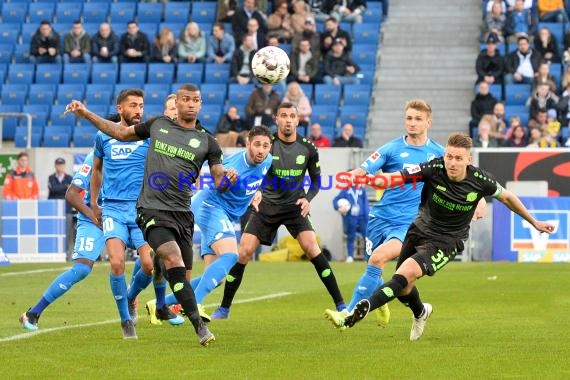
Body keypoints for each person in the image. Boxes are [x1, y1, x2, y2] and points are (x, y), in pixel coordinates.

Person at [330, 133, 555, 340]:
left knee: (404, 275)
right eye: (449, 156)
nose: (452, 162)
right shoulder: (434, 167)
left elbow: (507, 197)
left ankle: (364, 308)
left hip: (446, 241)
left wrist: (534, 221)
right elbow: (393, 179)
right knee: (404, 288)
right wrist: (367, 179)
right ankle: (421, 311)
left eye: (458, 158)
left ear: (468, 160)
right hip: (418, 229)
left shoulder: (480, 180)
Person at [65, 83, 230, 346]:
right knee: (173, 258)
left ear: (200, 105)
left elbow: (220, 179)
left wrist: (229, 178)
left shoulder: (208, 141)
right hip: (151, 209)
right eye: (184, 99)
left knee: (181, 278)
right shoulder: (157, 126)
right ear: (177, 104)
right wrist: (86, 114)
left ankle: (158, 299)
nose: (189, 104)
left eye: (194, 100)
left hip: (183, 214)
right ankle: (200, 328)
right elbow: (119, 132)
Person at [210, 102, 348, 320]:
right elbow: (252, 170)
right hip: (266, 207)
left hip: (294, 207)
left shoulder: (308, 148)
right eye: (283, 115)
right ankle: (224, 308)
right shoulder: (267, 144)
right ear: (276, 119)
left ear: (298, 119)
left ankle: (341, 305)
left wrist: (308, 199)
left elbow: (316, 182)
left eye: (292, 115)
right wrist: (255, 191)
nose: (288, 119)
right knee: (243, 252)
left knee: (312, 248)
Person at [324, 99, 445, 327]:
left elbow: (462, 179)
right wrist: (354, 174)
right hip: (379, 218)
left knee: (379, 258)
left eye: (418, 119)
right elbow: (365, 168)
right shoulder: (391, 148)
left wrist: (477, 201)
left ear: (428, 122)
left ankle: (347, 314)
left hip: (409, 223)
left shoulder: (439, 154)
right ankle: (395, 306)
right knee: (376, 268)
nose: (412, 123)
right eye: (409, 118)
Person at [90, 89, 184, 338]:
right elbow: (96, 170)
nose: (138, 110)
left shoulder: (149, 136)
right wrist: (94, 202)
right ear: (120, 108)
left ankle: (131, 297)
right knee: (117, 263)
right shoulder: (104, 137)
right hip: (112, 208)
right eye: (133, 105)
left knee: (149, 264)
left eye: (141, 105)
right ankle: (125, 321)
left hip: (141, 209)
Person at [19, 153, 104, 330]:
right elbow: (72, 194)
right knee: (81, 268)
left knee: (149, 257)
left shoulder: (142, 149)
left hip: (126, 215)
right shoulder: (94, 157)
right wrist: (93, 215)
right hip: (95, 219)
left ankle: (155, 303)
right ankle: (34, 313)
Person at [333, 181, 369, 262]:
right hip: (351, 216)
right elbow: (335, 200)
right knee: (351, 236)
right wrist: (337, 207)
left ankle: (368, 255)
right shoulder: (345, 190)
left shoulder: (361, 189)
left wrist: (367, 216)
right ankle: (350, 256)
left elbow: (365, 203)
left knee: (366, 237)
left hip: (362, 217)